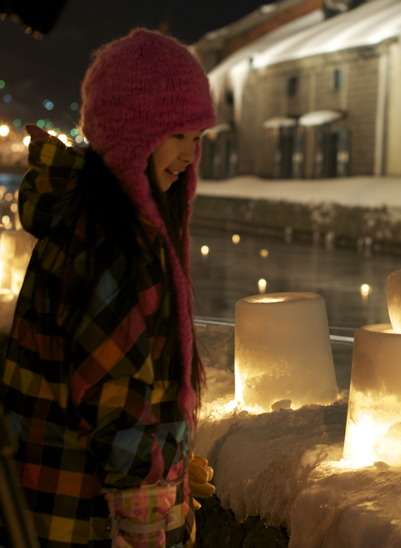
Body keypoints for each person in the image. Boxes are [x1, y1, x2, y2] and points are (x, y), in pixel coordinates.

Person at [1, 28, 216, 547]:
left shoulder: (82, 216)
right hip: (85, 516)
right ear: (132, 132)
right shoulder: (111, 242)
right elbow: (115, 398)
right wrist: (151, 503)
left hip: (50, 501)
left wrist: (176, 462)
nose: (190, 156)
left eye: (198, 138)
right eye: (177, 135)